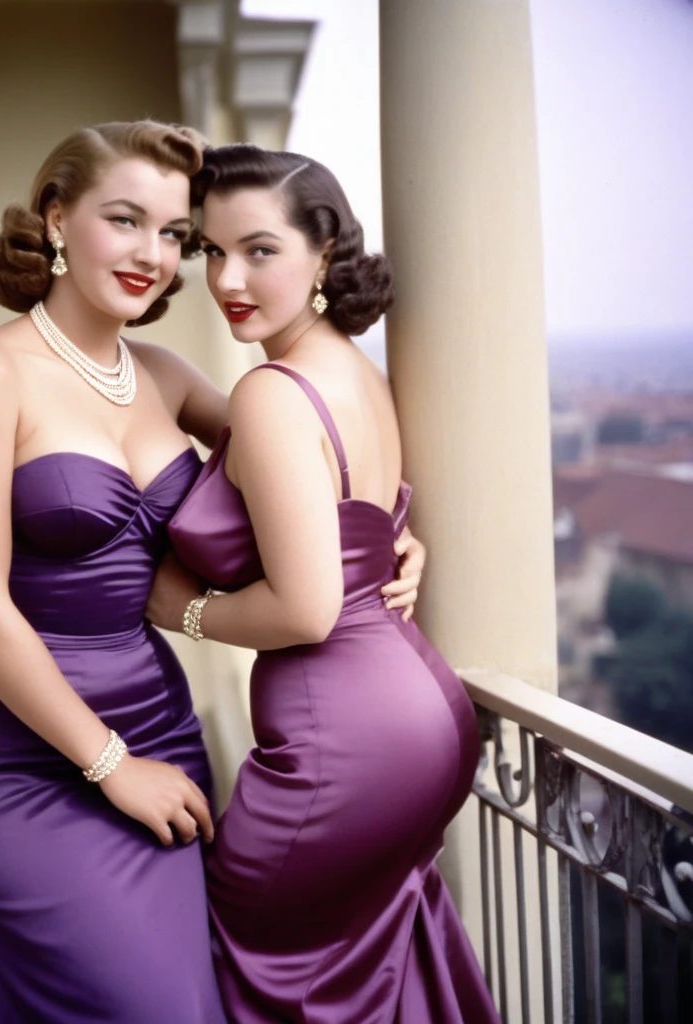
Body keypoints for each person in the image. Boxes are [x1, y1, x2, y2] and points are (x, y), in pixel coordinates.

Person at [0, 123, 427, 1023]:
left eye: (174, 235)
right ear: (56, 217)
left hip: (159, 724)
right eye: (126, 221)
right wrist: (112, 768)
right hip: (29, 754)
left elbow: (313, 460)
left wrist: (388, 535)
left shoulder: (163, 375)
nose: (153, 256)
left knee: (183, 998)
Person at [148, 145, 499, 1022]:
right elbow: (354, 518)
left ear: (325, 252)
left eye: (260, 249)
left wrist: (181, 609)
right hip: (423, 714)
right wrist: (397, 539)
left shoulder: (272, 391)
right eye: (212, 250)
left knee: (243, 959)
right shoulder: (356, 371)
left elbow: (307, 609)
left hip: (343, 742)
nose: (229, 276)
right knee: (361, 968)